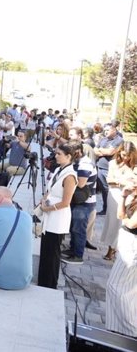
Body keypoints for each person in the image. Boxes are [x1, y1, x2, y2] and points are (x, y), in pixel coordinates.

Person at [38, 143, 78, 289]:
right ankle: (43, 281)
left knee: (52, 253)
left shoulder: (70, 176)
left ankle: (50, 284)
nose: (56, 156)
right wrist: (43, 200)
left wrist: (48, 208)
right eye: (56, 153)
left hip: (58, 218)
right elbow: (50, 189)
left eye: (59, 154)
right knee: (45, 250)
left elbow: (66, 202)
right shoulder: (58, 170)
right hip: (49, 215)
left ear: (68, 156)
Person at [105, 180, 137, 338]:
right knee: (128, 291)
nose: (133, 179)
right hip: (127, 242)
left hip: (133, 246)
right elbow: (120, 215)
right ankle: (122, 328)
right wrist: (124, 196)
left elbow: (131, 223)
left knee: (115, 286)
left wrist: (124, 217)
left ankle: (129, 329)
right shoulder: (133, 196)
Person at [61, 141, 97, 265]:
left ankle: (78, 256)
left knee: (78, 229)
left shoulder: (85, 164)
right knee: (73, 227)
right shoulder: (79, 161)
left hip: (84, 202)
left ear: (78, 152)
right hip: (78, 200)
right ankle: (72, 249)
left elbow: (81, 183)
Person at [100, 141, 136, 261]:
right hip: (115, 194)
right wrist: (122, 182)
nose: (125, 158)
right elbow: (109, 180)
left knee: (124, 222)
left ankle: (118, 249)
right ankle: (111, 248)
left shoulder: (135, 166)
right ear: (119, 152)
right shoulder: (113, 163)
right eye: (123, 154)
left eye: (128, 155)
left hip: (130, 196)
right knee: (113, 222)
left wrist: (122, 182)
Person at [94, 122, 123, 215]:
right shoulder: (103, 139)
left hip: (110, 169)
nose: (105, 132)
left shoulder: (119, 140)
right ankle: (105, 209)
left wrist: (101, 150)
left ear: (114, 130)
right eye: (105, 130)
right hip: (100, 167)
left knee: (110, 190)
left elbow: (110, 152)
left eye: (108, 130)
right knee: (104, 190)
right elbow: (95, 150)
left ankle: (111, 210)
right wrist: (103, 151)